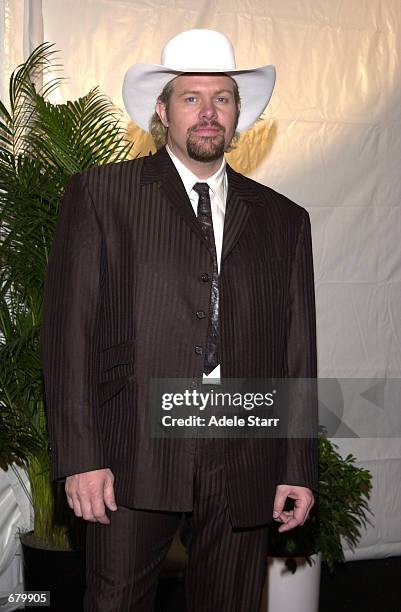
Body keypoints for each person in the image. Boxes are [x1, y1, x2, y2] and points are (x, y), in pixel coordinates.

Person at [41, 28, 318, 612]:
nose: (208, 112)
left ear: (238, 113)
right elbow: (68, 337)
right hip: (131, 446)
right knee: (116, 602)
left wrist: (296, 464)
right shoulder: (101, 196)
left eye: (222, 98)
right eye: (191, 98)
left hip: (242, 448)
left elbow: (296, 351)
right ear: (162, 112)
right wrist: (80, 458)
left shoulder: (284, 220)